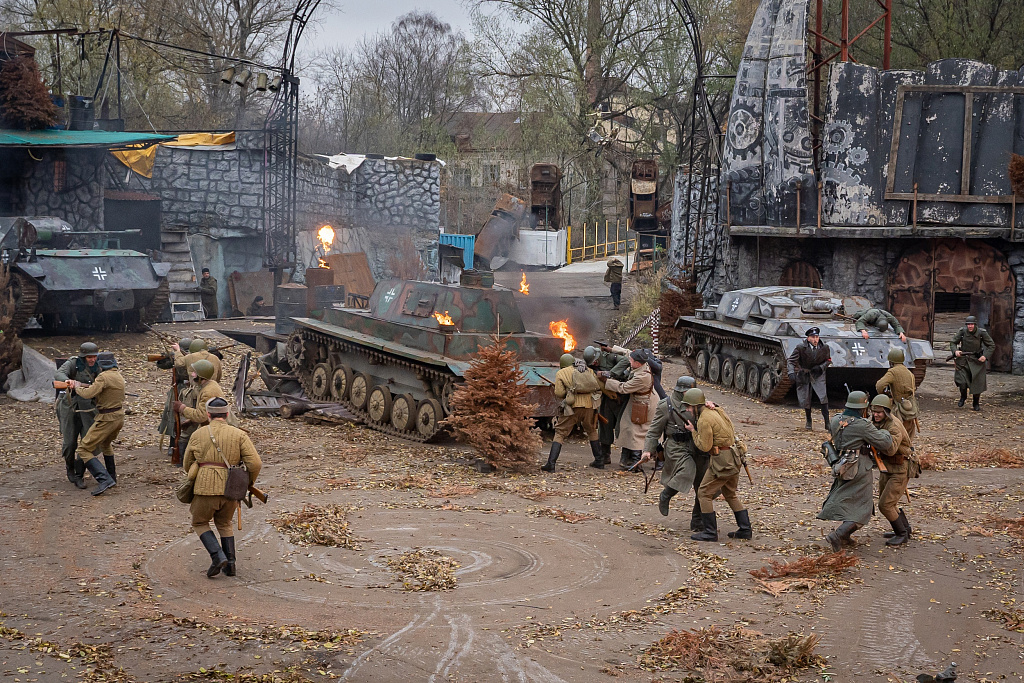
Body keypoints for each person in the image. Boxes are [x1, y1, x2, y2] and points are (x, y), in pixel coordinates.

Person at [182, 397, 262, 577]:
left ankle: (217, 556)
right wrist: (248, 484)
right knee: (225, 523)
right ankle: (231, 565)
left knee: (200, 522)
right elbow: (255, 464)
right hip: (232, 488)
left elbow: (187, 464)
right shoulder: (239, 434)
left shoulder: (198, 434)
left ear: (208, 415)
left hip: (205, 488)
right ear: (226, 414)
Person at [818, 391, 893, 550]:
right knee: (864, 508)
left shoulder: (835, 420)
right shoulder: (862, 425)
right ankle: (838, 535)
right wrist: (885, 431)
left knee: (843, 497)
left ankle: (844, 536)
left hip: (842, 464)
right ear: (863, 407)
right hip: (860, 468)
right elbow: (885, 442)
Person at [685, 388, 752, 542]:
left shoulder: (703, 420)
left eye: (689, 406)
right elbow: (723, 414)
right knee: (730, 494)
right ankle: (745, 529)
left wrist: (693, 431)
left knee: (703, 493)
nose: (687, 410)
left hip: (722, 462)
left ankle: (710, 532)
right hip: (735, 458)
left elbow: (705, 446)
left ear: (696, 406)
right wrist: (713, 404)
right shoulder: (716, 410)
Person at [639, 376, 700, 520]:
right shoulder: (666, 405)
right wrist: (647, 450)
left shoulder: (697, 401)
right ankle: (666, 495)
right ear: (681, 391)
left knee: (703, 484)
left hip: (697, 444)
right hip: (676, 447)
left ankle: (698, 520)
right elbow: (654, 431)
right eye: (689, 391)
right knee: (687, 470)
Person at [67, 352, 124, 496]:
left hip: (107, 418)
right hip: (118, 416)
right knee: (105, 444)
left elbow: (88, 394)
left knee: (83, 449)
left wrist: (76, 386)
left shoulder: (103, 377)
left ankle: (104, 479)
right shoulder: (118, 375)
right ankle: (112, 476)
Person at [542, 353, 603, 472]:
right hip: (589, 404)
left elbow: (559, 393)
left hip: (572, 406)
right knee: (591, 430)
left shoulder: (561, 373)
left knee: (560, 432)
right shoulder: (587, 370)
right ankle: (599, 460)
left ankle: (551, 464)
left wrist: (568, 392)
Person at [54, 342, 101, 489]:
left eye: (94, 356)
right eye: (89, 357)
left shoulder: (99, 366)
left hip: (89, 408)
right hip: (70, 406)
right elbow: (59, 374)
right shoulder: (73, 363)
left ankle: (80, 474)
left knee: (87, 443)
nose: (92, 360)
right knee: (69, 443)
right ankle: (70, 468)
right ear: (83, 356)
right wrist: (68, 381)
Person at [601, 349, 657, 471]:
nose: (629, 361)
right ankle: (628, 459)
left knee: (634, 432)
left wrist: (607, 381)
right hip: (637, 401)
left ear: (637, 363)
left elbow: (623, 388)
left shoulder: (642, 377)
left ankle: (636, 463)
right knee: (629, 429)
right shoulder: (642, 363)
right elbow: (627, 352)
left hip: (642, 404)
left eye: (631, 361)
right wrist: (610, 349)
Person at [869, 395, 913, 546]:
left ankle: (901, 534)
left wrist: (874, 438)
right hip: (887, 467)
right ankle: (905, 528)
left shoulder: (893, 426)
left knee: (885, 504)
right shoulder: (876, 422)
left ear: (887, 412)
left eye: (879, 412)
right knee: (887, 500)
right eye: (874, 411)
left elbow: (891, 449)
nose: (876, 415)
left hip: (901, 468)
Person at [585, 343, 631, 468]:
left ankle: (626, 457)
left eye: (595, 362)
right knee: (604, 425)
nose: (595, 364)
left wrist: (609, 374)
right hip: (606, 396)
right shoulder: (591, 364)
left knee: (624, 426)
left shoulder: (610, 357)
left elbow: (626, 361)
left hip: (621, 394)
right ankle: (605, 455)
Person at [174, 359, 226, 451]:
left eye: (195, 373)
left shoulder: (208, 391)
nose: (192, 375)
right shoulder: (208, 385)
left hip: (216, 429)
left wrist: (182, 408)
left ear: (201, 376)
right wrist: (191, 421)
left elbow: (202, 416)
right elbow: (206, 412)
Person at [787, 327, 831, 431]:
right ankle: (809, 420)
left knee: (823, 397)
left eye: (817, 337)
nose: (815, 340)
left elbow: (828, 360)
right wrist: (791, 372)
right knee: (806, 398)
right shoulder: (801, 347)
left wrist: (821, 367)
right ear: (808, 338)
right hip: (805, 373)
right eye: (812, 337)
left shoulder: (824, 347)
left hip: (818, 374)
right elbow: (791, 361)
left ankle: (827, 422)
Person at [950, 315, 995, 411]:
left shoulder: (982, 333)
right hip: (963, 360)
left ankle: (976, 403)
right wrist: (955, 351)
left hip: (976, 361)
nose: (970, 326)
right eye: (968, 325)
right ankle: (963, 397)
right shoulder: (962, 331)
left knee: (977, 383)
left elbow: (991, 345)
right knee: (961, 381)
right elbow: (953, 342)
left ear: (975, 325)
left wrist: (985, 356)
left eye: (972, 324)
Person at [875, 347, 918, 439]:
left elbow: (879, 385)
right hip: (910, 406)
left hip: (898, 407)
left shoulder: (893, 372)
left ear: (891, 361)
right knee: (908, 430)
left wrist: (884, 396)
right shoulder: (909, 372)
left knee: (895, 430)